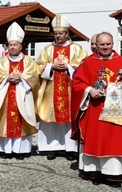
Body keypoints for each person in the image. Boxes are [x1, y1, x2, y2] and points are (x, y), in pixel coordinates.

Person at [71, 32, 122, 187]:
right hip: (94, 107)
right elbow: (77, 82)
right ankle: (93, 171)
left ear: (113, 44)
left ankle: (113, 173)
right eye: (102, 44)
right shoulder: (87, 62)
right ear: (96, 45)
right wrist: (89, 90)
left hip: (114, 109)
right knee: (93, 137)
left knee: (114, 139)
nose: (105, 47)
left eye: (108, 44)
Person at [36, 15, 87, 161]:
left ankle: (70, 148)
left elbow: (84, 67)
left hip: (71, 89)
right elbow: (38, 66)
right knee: (50, 118)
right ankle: (52, 147)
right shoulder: (47, 50)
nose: (58, 36)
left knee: (69, 119)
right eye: (56, 33)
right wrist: (51, 66)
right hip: (51, 89)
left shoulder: (78, 49)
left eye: (61, 33)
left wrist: (69, 66)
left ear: (67, 33)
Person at [0, 22, 40, 159]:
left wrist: (21, 78)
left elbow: (34, 76)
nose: (12, 47)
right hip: (6, 96)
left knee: (21, 119)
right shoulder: (1, 61)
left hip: (22, 96)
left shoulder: (29, 61)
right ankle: (3, 149)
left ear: (20, 46)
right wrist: (7, 78)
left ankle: (21, 150)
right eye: (10, 44)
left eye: (15, 45)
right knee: (3, 120)